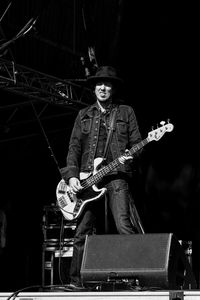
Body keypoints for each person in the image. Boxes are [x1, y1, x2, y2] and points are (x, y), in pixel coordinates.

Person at [60, 66, 144, 289]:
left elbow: (138, 144)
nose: (103, 88)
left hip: (116, 175)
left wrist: (130, 156)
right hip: (89, 179)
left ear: (113, 88)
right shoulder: (84, 114)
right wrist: (72, 177)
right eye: (99, 84)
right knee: (82, 232)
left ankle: (135, 278)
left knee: (124, 225)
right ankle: (76, 282)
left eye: (107, 84)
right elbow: (74, 148)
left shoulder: (126, 112)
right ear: (94, 88)